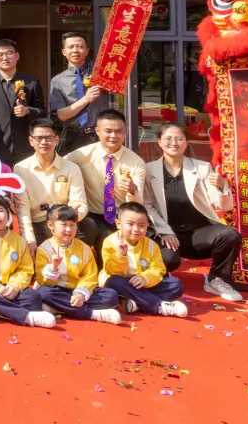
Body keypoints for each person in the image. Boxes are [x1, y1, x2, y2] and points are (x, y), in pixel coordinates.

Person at [144, 123, 242, 301]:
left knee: (230, 235)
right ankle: (160, 277)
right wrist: (164, 231)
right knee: (168, 259)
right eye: (168, 138)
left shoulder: (202, 168)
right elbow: (148, 205)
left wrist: (221, 187)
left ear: (186, 143)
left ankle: (217, 279)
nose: (174, 143)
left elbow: (223, 206)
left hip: (199, 233)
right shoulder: (149, 170)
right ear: (159, 142)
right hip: (167, 233)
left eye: (179, 139)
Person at [65, 109, 146, 264]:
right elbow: (59, 167)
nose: (113, 136)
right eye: (108, 131)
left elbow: (138, 205)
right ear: (97, 131)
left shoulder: (136, 162)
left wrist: (132, 189)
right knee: (84, 231)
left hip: (118, 217)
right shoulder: (81, 155)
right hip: (89, 215)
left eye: (119, 131)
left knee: (113, 260)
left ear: (125, 132)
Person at [0, 195, 55, 328]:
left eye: (0, 210)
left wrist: (14, 286)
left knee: (33, 298)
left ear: (9, 214)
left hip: (11, 289)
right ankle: (27, 317)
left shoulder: (20, 241)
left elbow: (25, 270)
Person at [34, 205, 121, 324]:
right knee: (43, 293)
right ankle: (92, 314)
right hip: (57, 290)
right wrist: (53, 267)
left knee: (111, 296)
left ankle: (58, 308)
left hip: (78, 289)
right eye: (63, 225)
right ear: (51, 225)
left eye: (72, 225)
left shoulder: (84, 248)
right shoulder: (44, 249)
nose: (68, 229)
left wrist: (80, 294)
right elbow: (42, 280)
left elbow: (90, 276)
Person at [100, 202, 188, 317]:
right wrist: (121, 254)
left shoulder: (151, 245)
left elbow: (158, 269)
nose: (136, 229)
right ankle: (159, 306)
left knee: (175, 284)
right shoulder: (111, 242)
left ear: (147, 226)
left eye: (141, 225)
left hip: (142, 285)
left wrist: (145, 278)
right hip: (122, 283)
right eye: (130, 224)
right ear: (118, 223)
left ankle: (136, 303)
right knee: (113, 282)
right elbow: (113, 271)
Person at [13, 118, 88, 251]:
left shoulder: (72, 168)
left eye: (48, 138)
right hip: (37, 224)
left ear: (56, 140)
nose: (44, 142)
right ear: (31, 141)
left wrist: (75, 214)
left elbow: (79, 202)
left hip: (64, 221)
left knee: (90, 227)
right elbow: (22, 207)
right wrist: (30, 240)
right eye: (39, 138)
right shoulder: (20, 169)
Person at [0, 39, 45, 166]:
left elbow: (42, 112)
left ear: (17, 56)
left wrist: (28, 111)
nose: (5, 57)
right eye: (0, 54)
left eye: (9, 53)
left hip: (26, 144)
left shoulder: (31, 81)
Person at [50, 32, 108, 155]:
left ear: (87, 51)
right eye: (70, 47)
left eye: (80, 46)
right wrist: (86, 99)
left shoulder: (100, 73)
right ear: (64, 52)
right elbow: (61, 115)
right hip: (74, 137)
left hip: (101, 135)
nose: (75, 50)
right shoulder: (57, 81)